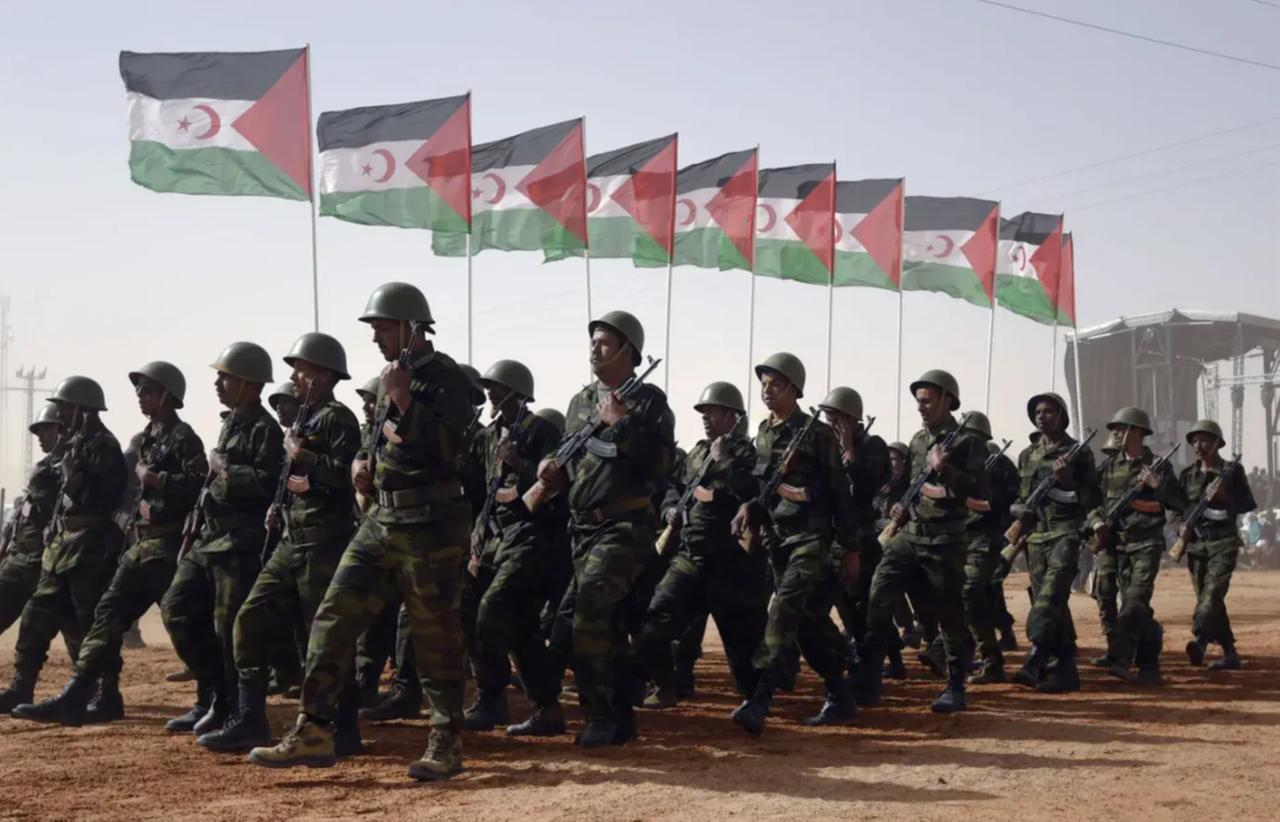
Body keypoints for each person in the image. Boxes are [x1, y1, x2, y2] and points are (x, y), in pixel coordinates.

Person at [249, 282, 475, 782]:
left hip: (430, 526)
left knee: (435, 635)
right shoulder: (389, 375)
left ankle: (445, 740)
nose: (375, 338)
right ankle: (314, 729)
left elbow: (450, 451)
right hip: (381, 520)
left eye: (382, 328)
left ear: (411, 327)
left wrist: (404, 401)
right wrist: (360, 464)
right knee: (331, 619)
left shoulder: (446, 380)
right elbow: (379, 445)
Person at [13, 363, 206, 725]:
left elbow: (197, 483)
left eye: (147, 391)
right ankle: (82, 692)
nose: (139, 397)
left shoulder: (181, 438)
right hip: (138, 546)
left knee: (185, 622)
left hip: (162, 548)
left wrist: (159, 480)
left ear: (167, 395)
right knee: (105, 615)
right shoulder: (147, 438)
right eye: (139, 391)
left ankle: (217, 697)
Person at [198, 333, 362, 753]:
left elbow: (348, 474)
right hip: (293, 539)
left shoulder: (338, 419)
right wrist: (282, 500)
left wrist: (302, 457)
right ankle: (250, 717)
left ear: (324, 375)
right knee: (249, 619)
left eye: (301, 369)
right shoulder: (304, 421)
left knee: (320, 640)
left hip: (324, 543)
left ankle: (342, 728)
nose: (293, 376)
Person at [535, 310, 675, 748]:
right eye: (592, 342)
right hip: (583, 528)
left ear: (628, 352)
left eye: (604, 343)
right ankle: (615, 715)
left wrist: (623, 422)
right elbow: (567, 454)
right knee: (588, 622)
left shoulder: (648, 401)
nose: (594, 349)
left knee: (591, 610)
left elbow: (662, 464)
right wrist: (549, 470)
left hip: (625, 526)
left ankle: (600, 714)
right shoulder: (580, 402)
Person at [728, 353, 859, 734]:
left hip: (811, 539)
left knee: (783, 608)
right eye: (764, 385)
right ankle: (839, 693)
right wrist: (749, 506)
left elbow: (840, 493)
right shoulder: (765, 432)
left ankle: (761, 698)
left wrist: (849, 549)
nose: (767, 391)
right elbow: (762, 487)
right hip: (777, 539)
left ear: (794, 390)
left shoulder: (815, 434)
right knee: (805, 623)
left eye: (774, 385)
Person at [161, 343, 284, 734]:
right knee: (176, 609)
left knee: (232, 632)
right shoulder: (231, 421)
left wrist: (227, 471)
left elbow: (269, 484)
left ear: (249, 383)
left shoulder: (265, 429)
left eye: (225, 376)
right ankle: (218, 695)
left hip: (238, 543)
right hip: (208, 539)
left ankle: (239, 711)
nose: (218, 382)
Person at [855, 369, 987, 713]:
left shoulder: (968, 443)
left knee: (949, 613)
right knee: (878, 598)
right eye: (918, 401)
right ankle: (868, 681)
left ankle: (955, 686)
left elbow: (977, 493)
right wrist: (900, 506)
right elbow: (910, 488)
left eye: (927, 400)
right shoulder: (916, 440)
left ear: (947, 400)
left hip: (945, 540)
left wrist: (945, 468)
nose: (921, 407)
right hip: (910, 538)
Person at [634, 381, 768, 709]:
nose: (706, 418)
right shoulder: (695, 453)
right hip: (690, 557)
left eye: (714, 412)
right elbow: (673, 488)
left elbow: (752, 491)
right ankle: (666, 686)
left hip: (730, 563)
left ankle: (756, 702)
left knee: (744, 644)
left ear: (734, 417)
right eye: (704, 412)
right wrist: (669, 511)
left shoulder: (747, 454)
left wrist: (724, 462)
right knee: (654, 624)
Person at [0, 377, 126, 714]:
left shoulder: (103, 446)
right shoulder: (75, 444)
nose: (61, 414)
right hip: (63, 546)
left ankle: (105, 695)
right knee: (37, 613)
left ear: (81, 410)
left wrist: (74, 477)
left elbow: (101, 497)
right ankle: (20, 688)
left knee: (89, 621)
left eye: (65, 408)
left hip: (91, 547)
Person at [462, 360, 563, 733]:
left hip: (529, 538)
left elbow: (556, 484)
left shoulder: (541, 430)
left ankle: (492, 698)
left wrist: (520, 464)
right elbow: (478, 489)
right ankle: (547, 707)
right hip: (492, 537)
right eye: (489, 388)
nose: (491, 394)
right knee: (512, 623)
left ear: (519, 394)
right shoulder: (488, 436)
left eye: (498, 388)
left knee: (493, 610)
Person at [1086, 406, 1187, 685]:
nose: (1116, 433)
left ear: (1136, 431)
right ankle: (1149, 661)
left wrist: (1157, 485)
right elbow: (1091, 501)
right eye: (1115, 430)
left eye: (1120, 428)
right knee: (1130, 606)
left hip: (1145, 544)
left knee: (1135, 601)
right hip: (1115, 544)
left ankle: (1121, 658)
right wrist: (1096, 523)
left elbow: (1179, 503)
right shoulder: (1107, 467)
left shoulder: (1158, 466)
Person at [1007, 392, 1098, 694]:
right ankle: (1066, 669)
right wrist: (1019, 513)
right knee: (1050, 601)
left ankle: (1036, 656)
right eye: (1037, 412)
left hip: (1065, 533)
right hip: (1036, 537)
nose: (1041, 416)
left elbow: (1089, 499)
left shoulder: (1079, 453)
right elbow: (1020, 498)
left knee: (1049, 598)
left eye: (1048, 411)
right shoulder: (1027, 455)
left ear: (1062, 416)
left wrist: (1068, 480)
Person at [816, 387, 890, 682]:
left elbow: (865, 487)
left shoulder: (874, 446)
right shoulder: (824, 444)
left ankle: (870, 672)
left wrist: (848, 450)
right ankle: (848, 655)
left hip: (860, 539)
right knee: (821, 607)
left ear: (849, 419)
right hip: (829, 538)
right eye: (827, 418)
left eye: (834, 419)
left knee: (862, 611)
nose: (829, 424)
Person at [1175, 419, 1255, 671]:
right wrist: (1180, 526)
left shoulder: (1232, 471)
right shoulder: (1187, 475)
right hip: (1196, 545)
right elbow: (1178, 508)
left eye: (1205, 440)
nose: (1199, 445)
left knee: (1211, 597)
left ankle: (1199, 639)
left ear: (1217, 443)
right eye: (1195, 441)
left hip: (1223, 542)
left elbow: (1247, 504)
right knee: (1210, 600)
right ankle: (1230, 652)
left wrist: (1223, 497)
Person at [0, 404, 64, 639]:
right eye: (37, 432)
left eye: (45, 430)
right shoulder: (45, 467)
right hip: (21, 560)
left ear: (61, 429)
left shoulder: (65, 469)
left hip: (42, 563)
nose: (39, 437)